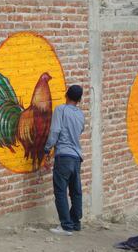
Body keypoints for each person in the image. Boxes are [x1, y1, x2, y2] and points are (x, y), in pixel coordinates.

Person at [44, 85, 85, 236]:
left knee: (60, 191)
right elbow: (80, 130)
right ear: (79, 99)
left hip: (63, 156)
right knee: (76, 192)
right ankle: (75, 223)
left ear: (66, 95)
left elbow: (55, 131)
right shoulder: (81, 114)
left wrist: (47, 148)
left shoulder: (60, 110)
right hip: (76, 158)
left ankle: (66, 226)